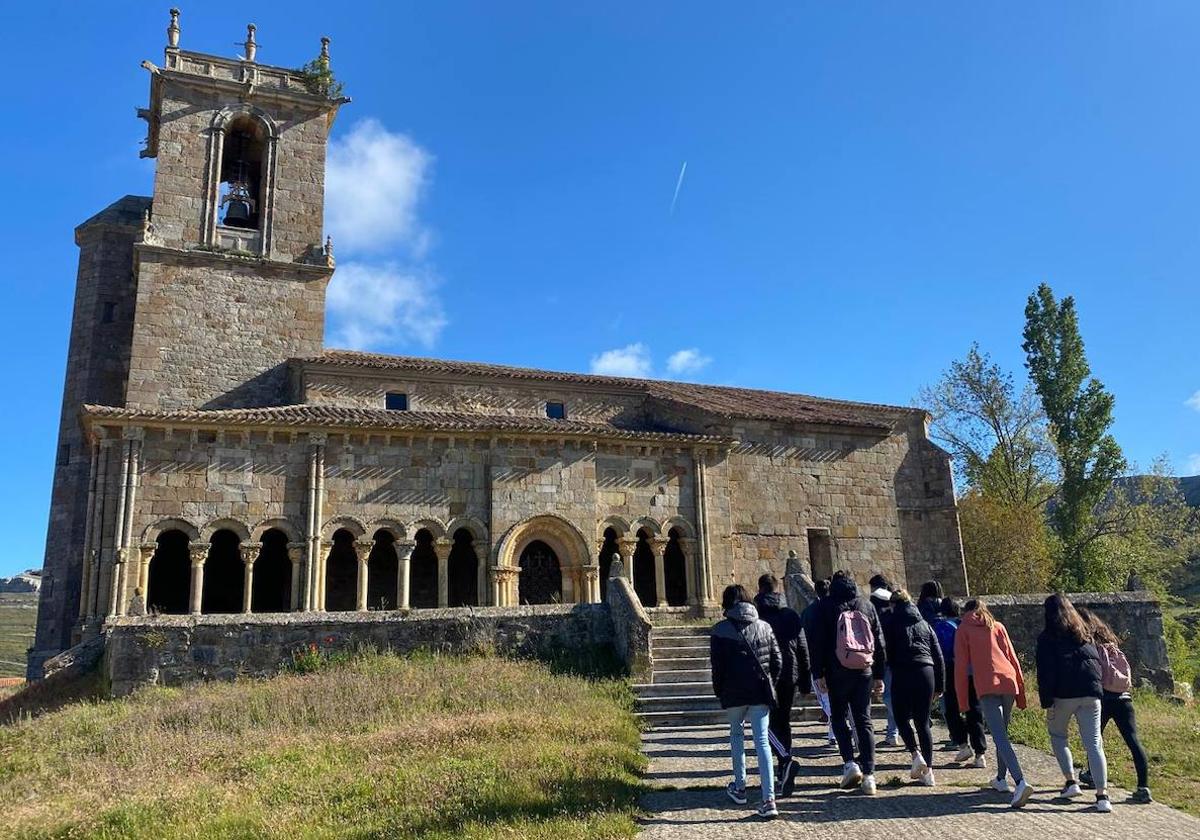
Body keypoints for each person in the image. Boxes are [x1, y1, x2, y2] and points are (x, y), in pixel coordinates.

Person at [810, 570, 886, 795]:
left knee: (839, 717)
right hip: (864, 670)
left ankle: (850, 764)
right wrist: (879, 674)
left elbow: (818, 642)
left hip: (837, 671)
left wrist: (818, 674)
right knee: (864, 720)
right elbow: (879, 642)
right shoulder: (866, 605)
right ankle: (870, 775)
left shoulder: (825, 606)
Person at [710, 583, 783, 819]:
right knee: (762, 741)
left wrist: (720, 689)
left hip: (733, 692)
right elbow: (777, 661)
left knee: (736, 735)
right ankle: (769, 799)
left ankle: (740, 788)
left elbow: (717, 667)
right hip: (759, 692)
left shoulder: (720, 630)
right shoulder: (765, 627)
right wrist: (769, 682)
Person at [1036, 593, 1112, 814]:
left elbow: (1046, 672)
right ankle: (1102, 795)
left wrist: (1047, 701)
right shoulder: (1084, 633)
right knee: (1094, 744)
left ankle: (1071, 782)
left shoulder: (1047, 637)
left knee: (1058, 735)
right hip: (1091, 692)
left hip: (1063, 694)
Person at [954, 598, 1033, 808]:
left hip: (987, 685)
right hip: (1008, 681)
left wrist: (962, 702)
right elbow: (1012, 658)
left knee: (999, 737)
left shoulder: (964, 629)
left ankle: (1020, 781)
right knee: (1002, 735)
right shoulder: (997, 626)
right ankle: (1000, 779)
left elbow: (960, 668)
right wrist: (1021, 693)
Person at [1076, 608, 1151, 804]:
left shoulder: (1089, 645)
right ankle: (1144, 786)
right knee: (1133, 741)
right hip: (1124, 698)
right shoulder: (1113, 645)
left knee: (1095, 740)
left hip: (1103, 698)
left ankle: (1093, 774)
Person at [755, 573, 811, 797]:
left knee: (763, 725)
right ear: (777, 589)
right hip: (789, 675)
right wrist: (806, 679)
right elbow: (802, 648)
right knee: (783, 722)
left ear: (760, 589)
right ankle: (781, 771)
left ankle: (785, 762)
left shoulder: (756, 615)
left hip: (765, 676)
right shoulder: (790, 615)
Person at [882, 588, 945, 786]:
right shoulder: (924, 624)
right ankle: (930, 773)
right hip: (926, 672)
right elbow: (938, 655)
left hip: (902, 672)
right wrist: (940, 685)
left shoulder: (890, 622)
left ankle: (916, 754)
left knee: (901, 718)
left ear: (893, 604)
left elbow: (886, 652)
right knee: (923, 722)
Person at [934, 597, 987, 765]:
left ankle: (963, 745)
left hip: (949, 671)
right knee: (974, 710)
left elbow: (937, 653)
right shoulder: (965, 626)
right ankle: (980, 753)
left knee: (951, 710)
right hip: (971, 672)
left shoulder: (938, 627)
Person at [802, 578, 836, 744]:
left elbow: (804, 639)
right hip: (838, 661)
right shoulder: (839, 609)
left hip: (817, 662)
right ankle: (835, 731)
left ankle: (834, 730)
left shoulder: (809, 612)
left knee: (825, 698)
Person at [868, 574, 900, 747]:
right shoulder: (896, 609)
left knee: (888, 697)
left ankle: (898, 726)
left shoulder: (874, 612)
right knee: (891, 696)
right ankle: (892, 732)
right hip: (898, 658)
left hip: (883, 659)